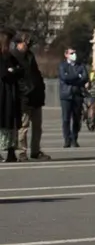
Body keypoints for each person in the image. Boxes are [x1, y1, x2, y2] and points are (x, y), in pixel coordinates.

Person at [11, 31, 50, 161]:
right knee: (23, 126)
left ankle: (35, 150)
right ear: (18, 43)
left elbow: (35, 73)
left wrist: (41, 87)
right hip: (24, 97)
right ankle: (22, 152)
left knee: (37, 126)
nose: (27, 44)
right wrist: (24, 90)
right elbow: (16, 77)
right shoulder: (13, 56)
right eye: (25, 42)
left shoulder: (30, 55)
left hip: (36, 96)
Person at [0, 30, 24, 163]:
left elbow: (21, 70)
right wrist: (13, 71)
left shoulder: (10, 57)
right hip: (3, 93)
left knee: (12, 123)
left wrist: (13, 71)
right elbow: (4, 73)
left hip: (12, 93)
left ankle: (11, 152)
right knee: (3, 121)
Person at [58, 47, 88, 148]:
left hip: (77, 95)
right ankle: (67, 139)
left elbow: (85, 78)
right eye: (71, 53)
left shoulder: (81, 66)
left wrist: (75, 77)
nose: (73, 55)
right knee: (66, 118)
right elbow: (65, 78)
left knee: (76, 118)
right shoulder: (62, 65)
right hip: (66, 95)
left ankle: (75, 138)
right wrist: (77, 76)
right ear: (66, 55)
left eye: (74, 53)